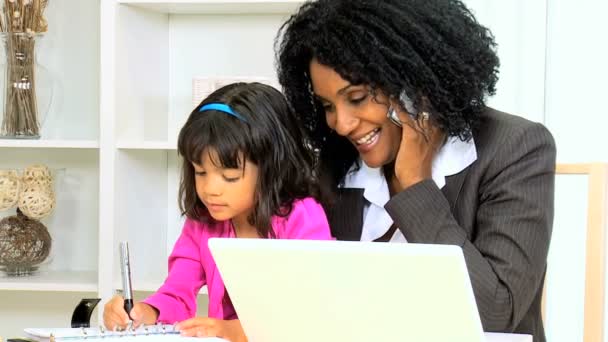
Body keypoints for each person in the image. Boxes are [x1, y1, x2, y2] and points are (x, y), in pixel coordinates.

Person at [275, 1, 555, 341]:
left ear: (414, 84)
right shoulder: (339, 163)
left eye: (358, 97)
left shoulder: (515, 147)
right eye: (327, 106)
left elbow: (494, 314)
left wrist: (416, 185)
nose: (342, 124)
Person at [103, 83, 333, 341]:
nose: (210, 189)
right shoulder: (203, 222)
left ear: (271, 169)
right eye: (200, 172)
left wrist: (234, 331)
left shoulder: (303, 218)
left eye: (230, 176)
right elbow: (177, 293)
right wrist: (145, 312)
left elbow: (310, 309)